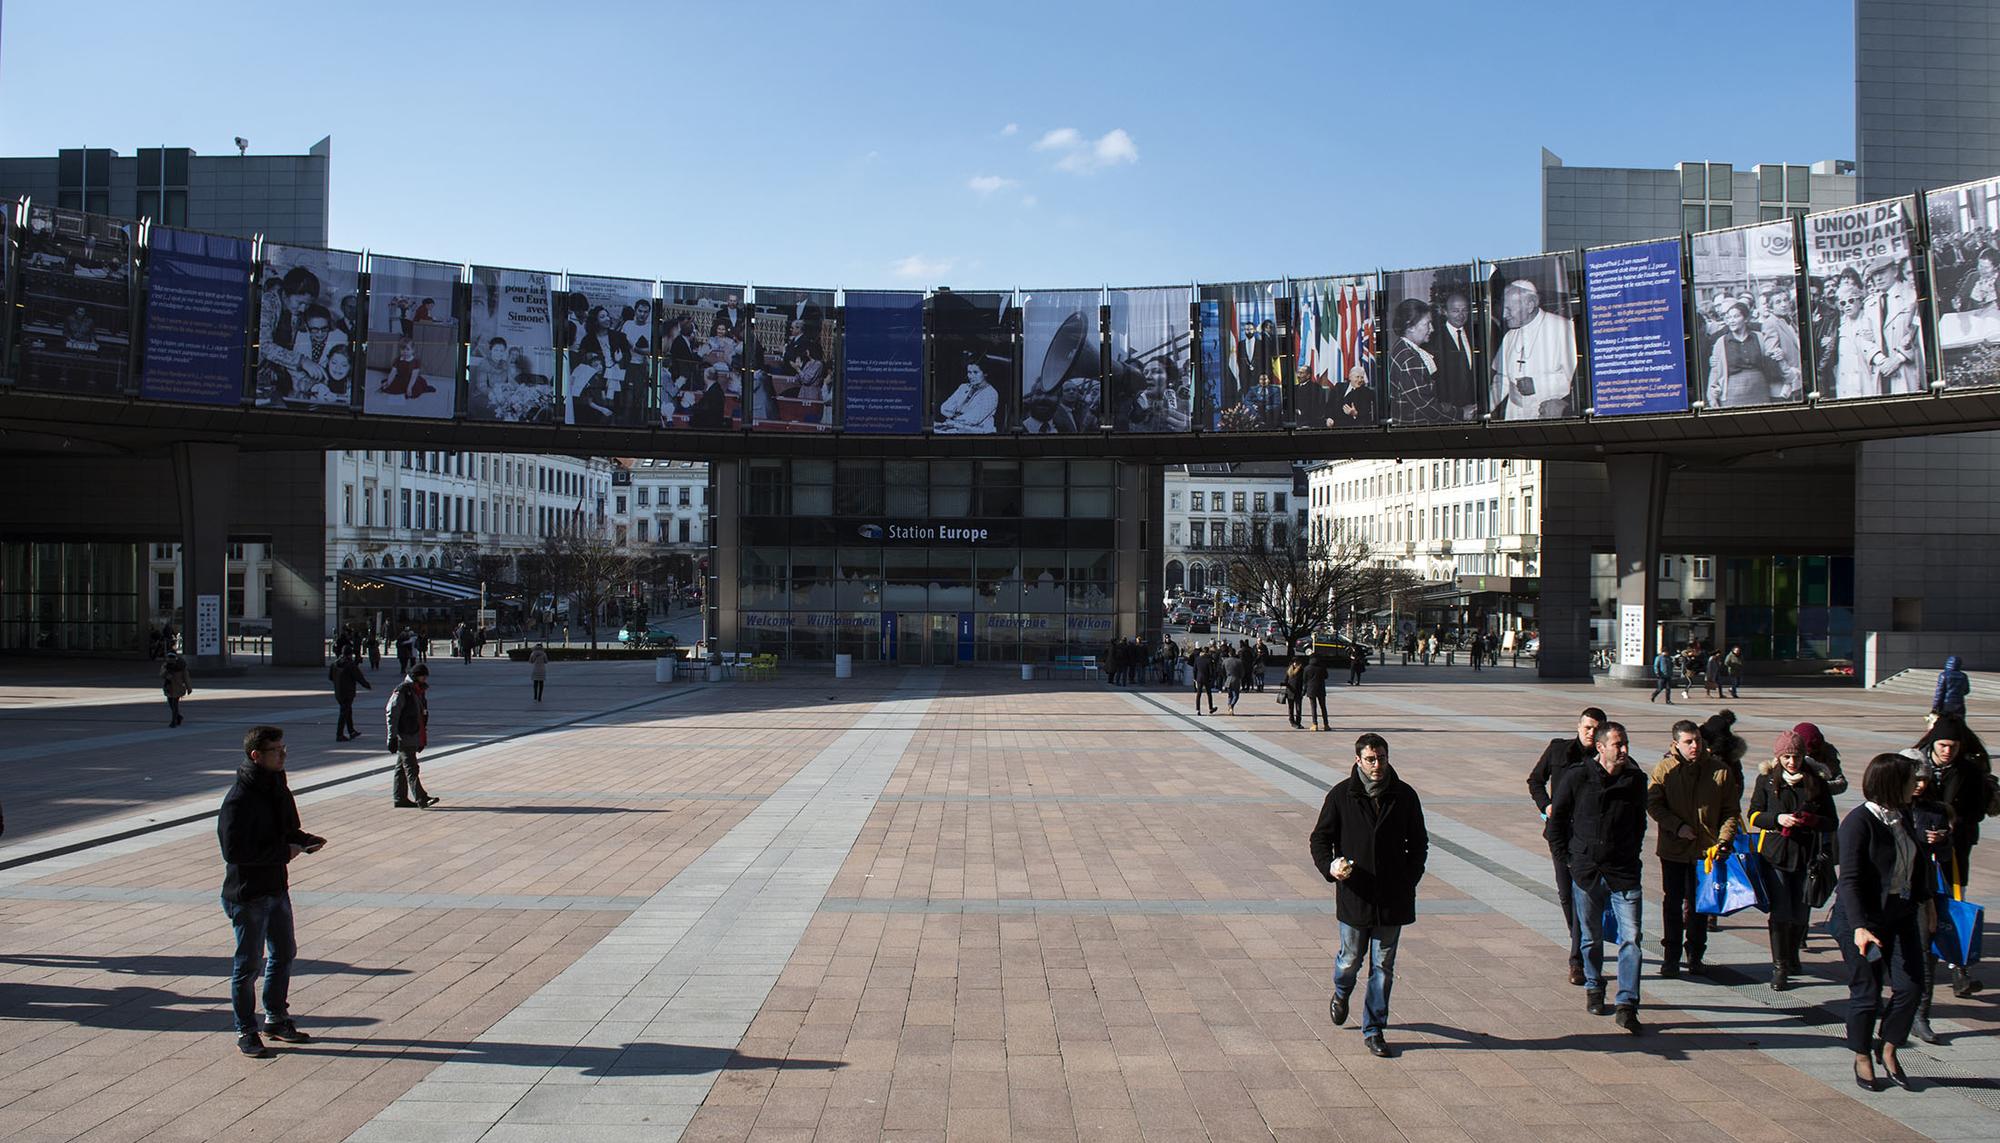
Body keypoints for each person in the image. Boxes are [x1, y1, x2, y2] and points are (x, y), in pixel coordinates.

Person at [1310, 733, 1428, 1059]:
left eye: (1382, 759)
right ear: (1358, 761)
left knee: (1383, 965)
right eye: (1371, 759)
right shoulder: (1341, 796)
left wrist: (1409, 879)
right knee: (1350, 960)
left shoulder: (1404, 796)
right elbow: (1320, 839)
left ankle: (1374, 1028)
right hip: (1355, 895)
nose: (1377, 766)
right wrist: (1331, 866)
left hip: (1393, 898)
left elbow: (1419, 844)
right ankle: (1341, 991)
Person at [218, 725, 325, 1058]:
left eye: (284, 748)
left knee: (284, 953)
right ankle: (245, 1030)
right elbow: (233, 852)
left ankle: (276, 1019)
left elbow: (287, 828)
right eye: (276, 750)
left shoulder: (278, 786)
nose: (283, 755)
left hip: (277, 888)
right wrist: (284, 853)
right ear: (256, 756)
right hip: (248, 894)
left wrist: (303, 840)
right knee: (248, 965)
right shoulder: (239, 799)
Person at [1832, 753, 1934, 1092]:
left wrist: (1927, 902)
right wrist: (1860, 926)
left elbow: (1916, 865)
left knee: (1911, 987)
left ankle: (1888, 1047)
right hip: (1863, 920)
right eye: (1910, 780)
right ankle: (1861, 1055)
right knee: (1868, 993)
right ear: (1892, 783)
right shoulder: (1858, 823)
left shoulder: (1903, 815)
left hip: (1901, 913)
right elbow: (1848, 880)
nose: (1917, 785)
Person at [1548, 721, 1649, 1032]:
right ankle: (1594, 985)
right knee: (1591, 938)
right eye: (1617, 744)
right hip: (1587, 871)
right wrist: (1571, 862)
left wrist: (1631, 853)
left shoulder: (1635, 780)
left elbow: (1640, 823)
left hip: (1624, 871)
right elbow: (1556, 824)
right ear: (1601, 747)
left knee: (1631, 938)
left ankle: (1627, 1002)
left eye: (1625, 743)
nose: (1624, 750)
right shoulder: (1577, 777)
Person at [1647, 719, 1743, 977]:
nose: (1695, 746)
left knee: (1701, 905)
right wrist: (1677, 827)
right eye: (1688, 741)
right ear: (1676, 743)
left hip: (1706, 851)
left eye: (1698, 740)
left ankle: (1696, 954)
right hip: (1674, 849)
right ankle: (1671, 956)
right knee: (1673, 903)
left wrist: (1724, 840)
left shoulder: (1719, 771)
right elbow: (1654, 805)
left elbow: (1731, 811)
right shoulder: (1665, 770)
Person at [1746, 729, 1837, 990]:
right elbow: (1753, 814)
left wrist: (1811, 820)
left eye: (1796, 756)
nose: (1791, 762)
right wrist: (1777, 819)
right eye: (1786, 756)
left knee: (1800, 912)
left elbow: (1831, 821)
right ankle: (1780, 967)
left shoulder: (1816, 781)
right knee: (1781, 911)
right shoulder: (1767, 780)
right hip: (1775, 854)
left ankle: (1793, 953)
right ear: (1778, 757)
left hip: (1806, 856)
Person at [1528, 707, 1607, 986]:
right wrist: (1546, 805)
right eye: (1586, 727)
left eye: (1596, 729)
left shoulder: (1605, 759)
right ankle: (1583, 938)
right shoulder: (1558, 750)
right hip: (1560, 834)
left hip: (1589, 840)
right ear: (1578, 726)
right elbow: (1535, 780)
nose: (1590, 733)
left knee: (1582, 894)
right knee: (1565, 894)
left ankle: (1577, 960)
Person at [1916, 714, 1992, 996]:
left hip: (1954, 849)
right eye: (1944, 745)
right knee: (1922, 903)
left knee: (1954, 902)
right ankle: (1919, 959)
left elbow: (1977, 811)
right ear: (1933, 742)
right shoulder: (1914, 765)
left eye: (1954, 747)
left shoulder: (1969, 771)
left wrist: (1951, 827)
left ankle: (1959, 970)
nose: (1948, 751)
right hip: (1920, 850)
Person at [1491, 279, 1576, 420]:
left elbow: (1574, 379)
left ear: (1530, 305)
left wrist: (1537, 384)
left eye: (1509, 309)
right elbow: (1502, 380)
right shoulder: (1510, 336)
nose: (1504, 315)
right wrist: (1484, 408)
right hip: (1514, 414)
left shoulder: (1562, 328)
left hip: (1549, 414)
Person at [1706, 299, 1785, 407]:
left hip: (1760, 390)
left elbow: (1772, 355)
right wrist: (1712, 396)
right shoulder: (1721, 342)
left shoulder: (1759, 337)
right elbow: (1715, 371)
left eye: (1736, 317)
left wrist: (1778, 353)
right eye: (1728, 318)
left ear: (1746, 319)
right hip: (1732, 393)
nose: (1731, 321)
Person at [385, 663, 439, 809]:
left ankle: (400, 798)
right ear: (416, 676)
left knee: (401, 768)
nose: (425, 679)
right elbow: (392, 713)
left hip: (413, 733)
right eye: (423, 676)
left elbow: (421, 716)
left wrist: (422, 739)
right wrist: (392, 737)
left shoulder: (418, 690)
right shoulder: (403, 690)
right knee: (411, 768)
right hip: (404, 735)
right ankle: (421, 798)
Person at [1387, 299, 1445, 424]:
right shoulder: (1409, 359)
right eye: (1427, 324)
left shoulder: (1402, 348)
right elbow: (1428, 408)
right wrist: (1462, 413)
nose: (1432, 329)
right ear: (1410, 326)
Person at [1430, 291, 1479, 421]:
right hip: (1449, 413)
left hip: (1475, 410)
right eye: (1455, 311)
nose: (1461, 315)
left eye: (1464, 310)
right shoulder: (1434, 339)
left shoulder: (1476, 334)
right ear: (1445, 312)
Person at [937, 355, 1000, 433]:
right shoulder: (963, 387)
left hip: (979, 432)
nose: (971, 376)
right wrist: (959, 416)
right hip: (954, 426)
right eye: (969, 372)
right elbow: (944, 408)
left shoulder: (991, 393)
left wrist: (953, 415)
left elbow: (974, 419)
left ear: (985, 373)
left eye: (975, 372)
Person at [328, 649, 370, 742]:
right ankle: (339, 734)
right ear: (350, 654)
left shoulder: (334, 664)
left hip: (338, 692)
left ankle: (351, 731)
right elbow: (358, 677)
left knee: (347, 711)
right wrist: (367, 685)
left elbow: (330, 677)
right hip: (348, 692)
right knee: (344, 713)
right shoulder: (350, 665)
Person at [1932, 654, 1970, 719]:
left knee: (1945, 724)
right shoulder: (1963, 676)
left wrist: (1935, 707)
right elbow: (1967, 691)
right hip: (1959, 704)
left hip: (1947, 704)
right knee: (1959, 724)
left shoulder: (1943, 675)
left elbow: (1939, 693)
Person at [161, 650, 192, 728]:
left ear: (176, 658)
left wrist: (189, 688)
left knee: (175, 704)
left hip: (178, 687)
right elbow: (161, 674)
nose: (170, 659)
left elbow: (186, 678)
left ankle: (174, 721)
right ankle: (178, 717)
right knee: (171, 704)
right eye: (169, 657)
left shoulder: (181, 666)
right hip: (169, 687)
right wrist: (166, 673)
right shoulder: (166, 665)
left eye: (172, 657)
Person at [1303, 656, 1330, 731]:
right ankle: (1326, 724)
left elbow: (1304, 680)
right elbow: (1326, 676)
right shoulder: (1322, 667)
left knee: (1313, 707)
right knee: (1323, 707)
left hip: (1311, 689)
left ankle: (1315, 724)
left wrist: (1304, 690)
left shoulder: (1307, 668)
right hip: (1321, 689)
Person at [1192, 646, 1218, 716]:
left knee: (1198, 694)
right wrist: (1211, 678)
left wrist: (1195, 678)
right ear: (1208, 652)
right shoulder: (1209, 660)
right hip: (1206, 678)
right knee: (1209, 694)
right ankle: (1210, 708)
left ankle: (1198, 709)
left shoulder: (1197, 659)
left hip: (1199, 678)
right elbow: (1211, 671)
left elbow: (1194, 670)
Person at [1282, 658, 1306, 729]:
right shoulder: (1289, 670)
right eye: (1294, 662)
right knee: (1291, 708)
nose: (1295, 664)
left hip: (1298, 692)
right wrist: (1284, 684)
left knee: (1298, 709)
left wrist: (1304, 691)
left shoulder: (1302, 670)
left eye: (1297, 662)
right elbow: (1286, 680)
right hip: (1290, 692)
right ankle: (1292, 722)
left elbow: (1304, 681)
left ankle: (1298, 722)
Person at [1220, 646, 1244, 715]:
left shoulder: (1225, 661)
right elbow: (1242, 671)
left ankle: (1230, 706)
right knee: (1236, 695)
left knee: (1229, 694)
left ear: (1229, 654)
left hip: (1228, 678)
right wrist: (1240, 677)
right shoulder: (1239, 661)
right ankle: (1232, 705)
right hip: (1236, 678)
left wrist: (1225, 677)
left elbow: (1222, 671)